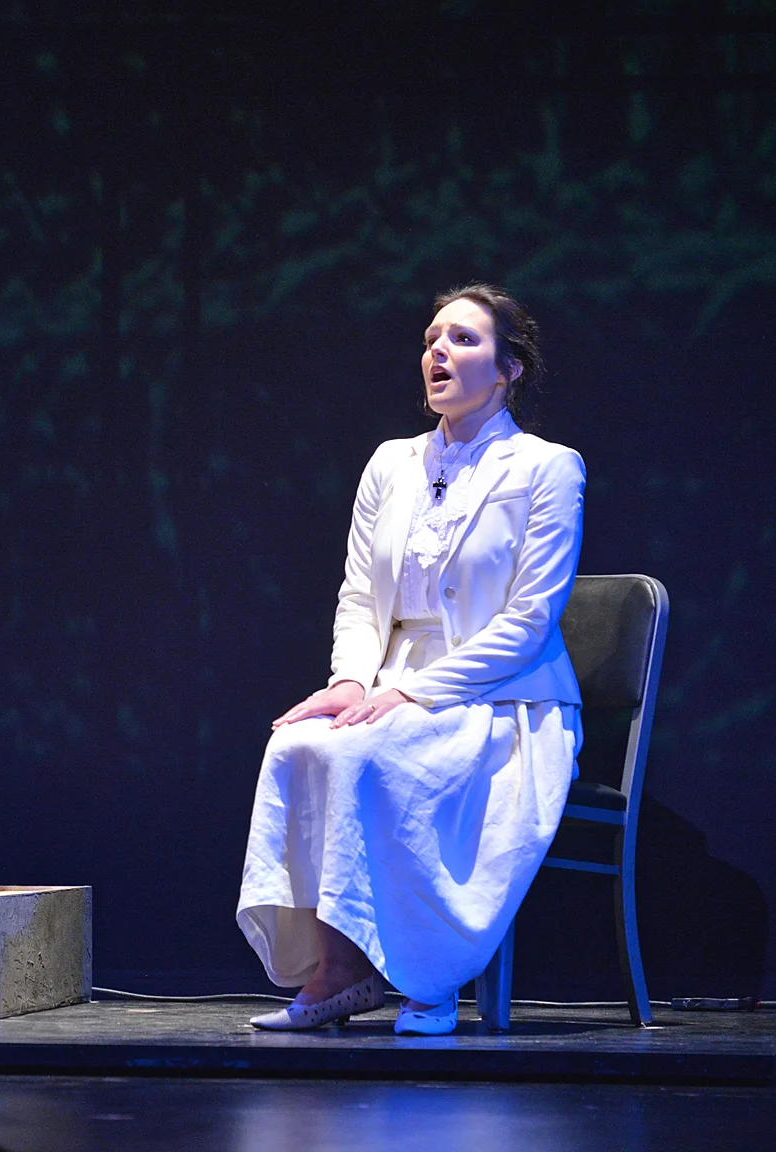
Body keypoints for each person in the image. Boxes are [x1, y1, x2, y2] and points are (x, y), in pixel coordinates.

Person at [237, 283, 585, 1035]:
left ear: (510, 368)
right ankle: (341, 969)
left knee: (366, 754)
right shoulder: (391, 464)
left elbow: (529, 622)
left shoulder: (547, 468)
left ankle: (426, 982)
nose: (438, 353)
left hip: (502, 695)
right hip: (390, 681)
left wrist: (414, 694)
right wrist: (350, 681)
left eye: (462, 339)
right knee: (296, 745)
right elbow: (361, 596)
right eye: (431, 340)